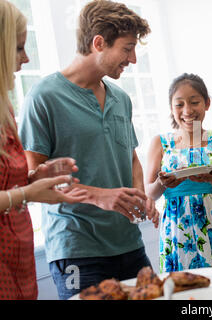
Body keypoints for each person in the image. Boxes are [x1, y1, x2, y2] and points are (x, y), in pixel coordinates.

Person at [18, 0, 158, 300]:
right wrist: (100, 196)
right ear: (98, 43)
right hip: (76, 249)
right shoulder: (43, 97)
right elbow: (32, 179)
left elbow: (130, 156)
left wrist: (139, 195)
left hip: (129, 244)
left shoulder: (122, 98)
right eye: (127, 48)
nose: (133, 58)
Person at [0, 0, 87, 300]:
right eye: (18, 48)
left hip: (17, 258)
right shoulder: (43, 95)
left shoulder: (5, 108)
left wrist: (34, 178)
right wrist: (26, 194)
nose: (26, 58)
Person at [146, 73, 212, 272]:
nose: (187, 111)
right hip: (177, 229)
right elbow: (150, 194)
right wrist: (162, 183)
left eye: (194, 102)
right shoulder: (160, 142)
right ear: (171, 108)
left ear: (207, 103)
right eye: (179, 104)